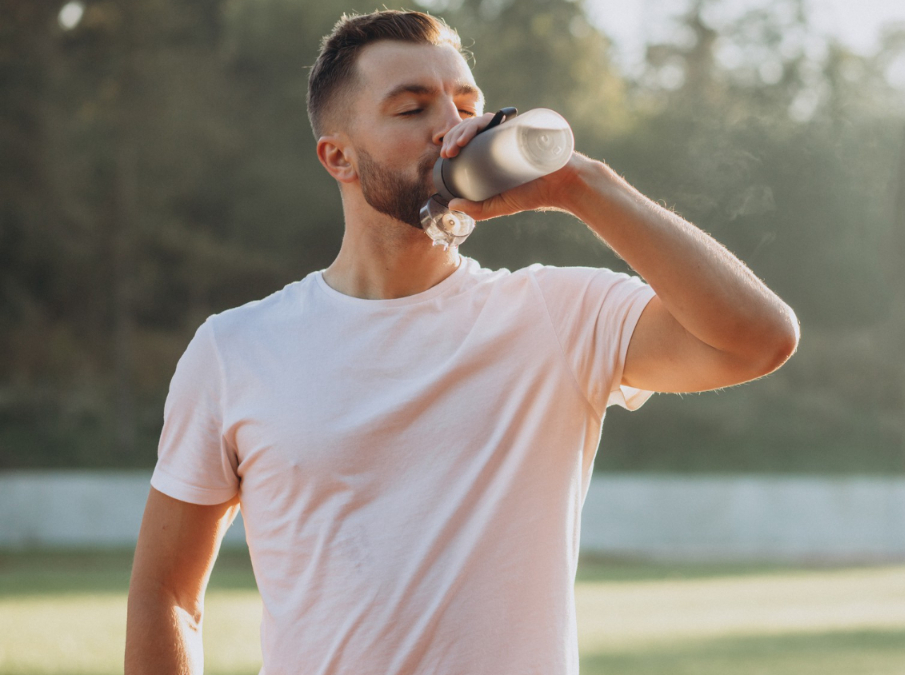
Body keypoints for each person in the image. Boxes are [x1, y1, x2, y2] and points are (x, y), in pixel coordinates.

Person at [124, 9, 798, 675]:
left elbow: (758, 339)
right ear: (338, 156)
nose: (453, 125)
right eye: (412, 107)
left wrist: (583, 186)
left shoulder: (558, 314)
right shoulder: (234, 350)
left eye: (468, 101)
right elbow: (166, 596)